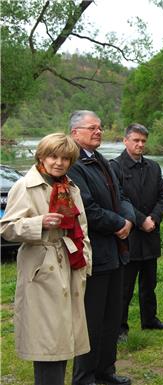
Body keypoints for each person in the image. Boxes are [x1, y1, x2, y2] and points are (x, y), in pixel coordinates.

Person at [0, 133, 91, 385]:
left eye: (65, 158)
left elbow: (82, 226)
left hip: (69, 264)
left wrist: (85, 261)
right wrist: (39, 223)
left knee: (62, 339)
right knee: (48, 343)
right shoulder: (24, 186)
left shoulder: (70, 187)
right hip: (41, 270)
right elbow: (6, 228)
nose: (58, 162)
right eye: (53, 156)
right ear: (41, 156)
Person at [67, 110, 135, 385]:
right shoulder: (72, 165)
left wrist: (129, 219)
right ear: (75, 133)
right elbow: (86, 208)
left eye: (100, 128)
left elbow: (122, 195)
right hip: (93, 253)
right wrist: (118, 222)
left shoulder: (103, 161)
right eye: (92, 128)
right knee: (91, 320)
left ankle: (106, 371)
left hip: (116, 252)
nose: (98, 132)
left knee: (112, 316)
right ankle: (84, 377)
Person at [109, 123, 163, 342]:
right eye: (136, 140)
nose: (140, 145)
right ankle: (119, 328)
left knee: (150, 283)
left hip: (151, 233)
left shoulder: (153, 167)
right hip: (129, 235)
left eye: (143, 141)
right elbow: (118, 199)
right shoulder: (115, 167)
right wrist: (140, 220)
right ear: (125, 140)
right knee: (124, 286)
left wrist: (154, 218)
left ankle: (150, 319)